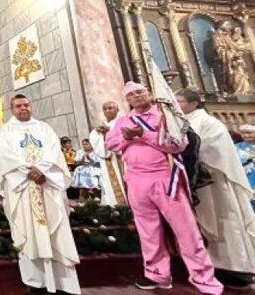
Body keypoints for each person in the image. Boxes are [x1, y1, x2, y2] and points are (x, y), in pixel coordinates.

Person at [105, 81, 222, 294]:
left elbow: (179, 144)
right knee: (148, 231)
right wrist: (125, 136)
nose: (137, 97)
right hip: (136, 180)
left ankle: (204, 277)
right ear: (127, 100)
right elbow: (110, 144)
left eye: (140, 92)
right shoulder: (123, 120)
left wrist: (144, 135)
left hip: (165, 178)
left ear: (149, 94)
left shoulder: (164, 116)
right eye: (131, 95)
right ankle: (157, 274)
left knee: (186, 230)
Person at [0, 94, 81, 294]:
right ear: (11, 109)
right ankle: (35, 281)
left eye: (26, 105)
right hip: (23, 187)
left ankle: (62, 282)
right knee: (28, 231)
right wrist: (29, 172)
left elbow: (54, 153)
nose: (23, 108)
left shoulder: (45, 129)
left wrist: (41, 171)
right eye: (18, 106)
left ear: (31, 106)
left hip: (47, 185)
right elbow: (6, 157)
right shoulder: (6, 131)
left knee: (55, 231)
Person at [176, 89, 255, 290]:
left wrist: (190, 156)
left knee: (225, 223)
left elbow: (215, 150)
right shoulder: (183, 121)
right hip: (196, 183)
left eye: (180, 101)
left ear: (194, 103)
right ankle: (211, 265)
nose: (176, 104)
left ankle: (237, 268)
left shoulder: (209, 122)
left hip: (214, 181)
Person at [89, 101, 127, 206]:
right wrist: (100, 135)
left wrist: (108, 133)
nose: (107, 110)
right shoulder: (101, 126)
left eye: (110, 108)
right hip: (108, 161)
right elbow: (99, 147)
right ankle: (116, 208)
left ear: (117, 110)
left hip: (122, 159)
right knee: (109, 185)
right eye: (105, 109)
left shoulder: (123, 122)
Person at [236, 124, 255, 205]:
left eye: (249, 132)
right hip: (247, 186)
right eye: (243, 133)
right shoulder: (235, 148)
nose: (246, 135)